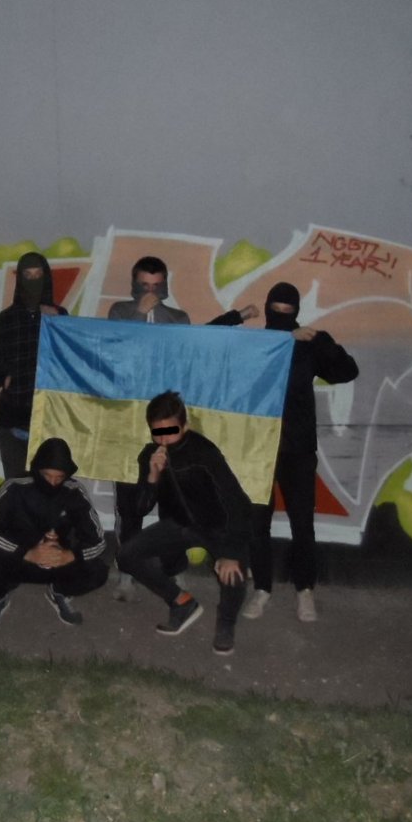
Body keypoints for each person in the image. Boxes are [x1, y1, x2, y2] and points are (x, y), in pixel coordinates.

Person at [107, 256, 258, 601]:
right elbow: (113, 347)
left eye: (156, 285)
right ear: (134, 285)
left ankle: (174, 569)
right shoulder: (119, 311)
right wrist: (138, 314)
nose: (150, 291)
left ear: (164, 285)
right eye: (143, 285)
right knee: (129, 502)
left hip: (164, 423)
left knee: (171, 501)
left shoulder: (178, 318)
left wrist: (236, 317)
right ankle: (127, 572)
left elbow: (198, 343)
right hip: (127, 424)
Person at [222, 282, 359, 623]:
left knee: (302, 523)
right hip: (259, 447)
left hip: (297, 448)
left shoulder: (308, 344)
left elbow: (347, 371)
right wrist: (243, 320)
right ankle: (262, 589)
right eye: (276, 312)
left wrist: (323, 342)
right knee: (257, 524)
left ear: (296, 312)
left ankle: (305, 590)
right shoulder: (257, 345)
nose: (282, 317)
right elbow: (209, 342)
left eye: (288, 313)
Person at [116, 391, 252, 655]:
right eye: (157, 433)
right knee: (126, 555)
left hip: (216, 527)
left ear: (185, 425)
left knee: (233, 571)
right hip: (178, 525)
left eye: (171, 431)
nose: (163, 439)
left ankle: (226, 624)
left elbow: (237, 502)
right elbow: (140, 508)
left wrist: (230, 553)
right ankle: (182, 602)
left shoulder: (203, 451)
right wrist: (153, 475)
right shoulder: (150, 454)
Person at [0, 437, 109, 631]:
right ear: (37, 469)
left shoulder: (74, 491)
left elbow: (98, 540)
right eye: (47, 475)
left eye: (59, 477)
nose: (52, 482)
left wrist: (69, 556)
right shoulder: (15, 487)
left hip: (56, 561)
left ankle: (59, 592)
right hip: (18, 558)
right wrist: (26, 553)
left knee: (98, 571)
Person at [0, 252, 67, 480]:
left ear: (46, 278)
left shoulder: (60, 316)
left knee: (49, 485)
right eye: (28, 275)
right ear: (20, 279)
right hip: (13, 415)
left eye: (38, 275)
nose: (33, 281)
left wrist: (56, 323)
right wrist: (4, 376)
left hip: (50, 416)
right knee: (17, 485)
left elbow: (69, 360)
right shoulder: (5, 320)